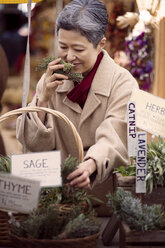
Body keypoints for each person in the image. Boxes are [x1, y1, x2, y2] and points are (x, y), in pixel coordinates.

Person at [16, 0, 138, 190]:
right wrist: (43, 99)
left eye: (78, 49)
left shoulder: (123, 84)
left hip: (103, 197)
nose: (69, 57)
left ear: (101, 45)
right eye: (63, 47)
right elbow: (33, 144)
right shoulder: (51, 79)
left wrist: (91, 164)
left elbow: (115, 137)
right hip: (57, 200)